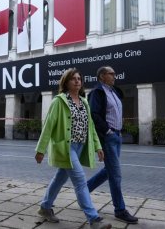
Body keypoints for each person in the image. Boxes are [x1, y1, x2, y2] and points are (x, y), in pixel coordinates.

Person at [35, 68, 112, 229]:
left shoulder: (84, 102)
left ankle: (45, 207)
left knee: (60, 179)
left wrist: (98, 146)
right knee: (80, 181)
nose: (77, 81)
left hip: (80, 147)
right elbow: (48, 125)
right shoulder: (59, 101)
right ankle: (94, 219)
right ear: (66, 82)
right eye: (73, 79)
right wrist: (41, 149)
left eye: (79, 78)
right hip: (66, 147)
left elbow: (90, 126)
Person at [87, 66, 138, 224]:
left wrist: (117, 131)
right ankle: (120, 210)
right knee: (115, 175)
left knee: (108, 171)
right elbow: (94, 114)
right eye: (111, 74)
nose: (114, 76)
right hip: (108, 137)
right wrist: (107, 131)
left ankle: (83, 190)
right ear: (102, 76)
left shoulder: (114, 91)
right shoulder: (98, 92)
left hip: (116, 135)